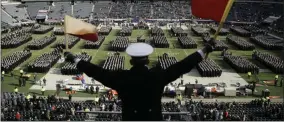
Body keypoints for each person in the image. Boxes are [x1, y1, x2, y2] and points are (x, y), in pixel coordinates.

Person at [64, 39, 215, 121]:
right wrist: (204, 50)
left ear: (131, 61)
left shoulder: (121, 78)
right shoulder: (157, 76)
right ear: (148, 60)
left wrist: (76, 60)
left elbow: (96, 72)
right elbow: (182, 66)